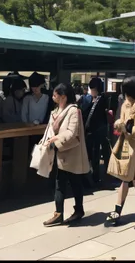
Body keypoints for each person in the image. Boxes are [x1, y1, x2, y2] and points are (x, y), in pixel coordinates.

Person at [43, 83, 90, 227]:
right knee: (59, 183)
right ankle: (58, 213)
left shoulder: (74, 111)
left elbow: (72, 132)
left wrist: (56, 139)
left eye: (55, 95)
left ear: (63, 96)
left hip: (71, 152)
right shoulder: (55, 111)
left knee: (75, 181)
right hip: (58, 152)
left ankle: (78, 210)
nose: (53, 97)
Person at [107, 77, 135, 228]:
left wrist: (129, 128)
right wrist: (120, 124)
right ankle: (120, 211)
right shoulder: (126, 103)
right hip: (126, 144)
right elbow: (122, 119)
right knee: (127, 178)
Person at [83, 77, 111, 187]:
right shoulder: (90, 99)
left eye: (93, 89)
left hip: (98, 132)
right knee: (92, 155)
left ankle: (96, 176)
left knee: (95, 155)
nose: (92, 91)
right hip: (91, 132)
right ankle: (93, 175)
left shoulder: (103, 99)